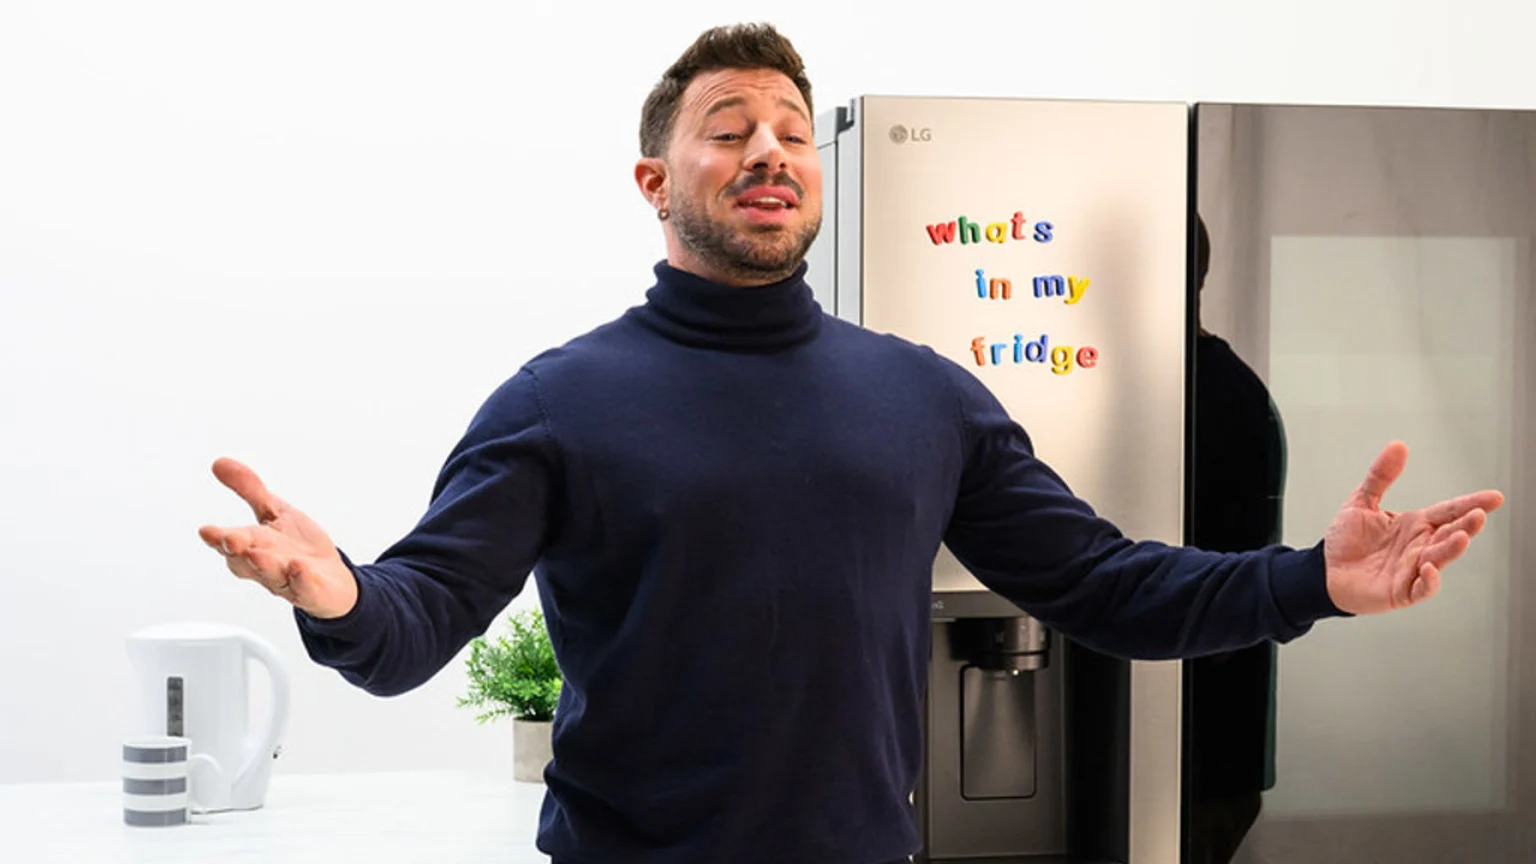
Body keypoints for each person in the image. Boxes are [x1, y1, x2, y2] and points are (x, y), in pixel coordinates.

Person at [197, 23, 1505, 864]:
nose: (768, 152)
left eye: (788, 133)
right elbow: (414, 627)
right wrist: (339, 589)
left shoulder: (922, 397)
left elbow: (1108, 588)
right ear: (656, 182)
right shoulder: (563, 402)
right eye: (728, 131)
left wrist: (1313, 581)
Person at [1184, 215, 1288, 863]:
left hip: (1204, 760)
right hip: (1204, 753)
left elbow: (1228, 599)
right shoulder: (1212, 386)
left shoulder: (1217, 396)